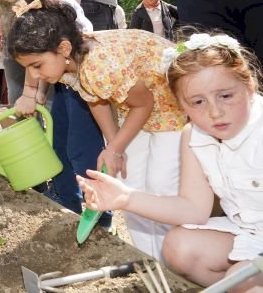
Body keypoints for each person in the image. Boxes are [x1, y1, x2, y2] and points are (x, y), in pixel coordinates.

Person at [6, 0, 187, 259]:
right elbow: (96, 99)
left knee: (161, 185)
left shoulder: (98, 63)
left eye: (36, 65)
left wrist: (114, 149)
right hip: (138, 106)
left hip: (171, 106)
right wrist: (115, 144)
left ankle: (173, 259)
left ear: (64, 49)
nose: (33, 75)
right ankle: (147, 258)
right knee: (129, 181)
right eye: (28, 68)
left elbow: (144, 104)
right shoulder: (69, 66)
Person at [78, 33, 263, 290]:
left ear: (250, 86)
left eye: (226, 96)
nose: (215, 111)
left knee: (243, 277)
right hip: (249, 234)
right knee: (178, 248)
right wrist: (125, 198)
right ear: (181, 106)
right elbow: (193, 209)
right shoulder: (194, 135)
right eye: (198, 102)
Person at [0, 0, 109, 227]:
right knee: (59, 141)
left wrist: (30, 94)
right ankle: (67, 199)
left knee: (81, 148)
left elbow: (40, 44)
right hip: (64, 78)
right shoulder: (23, 0)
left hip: (82, 73)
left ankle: (100, 212)